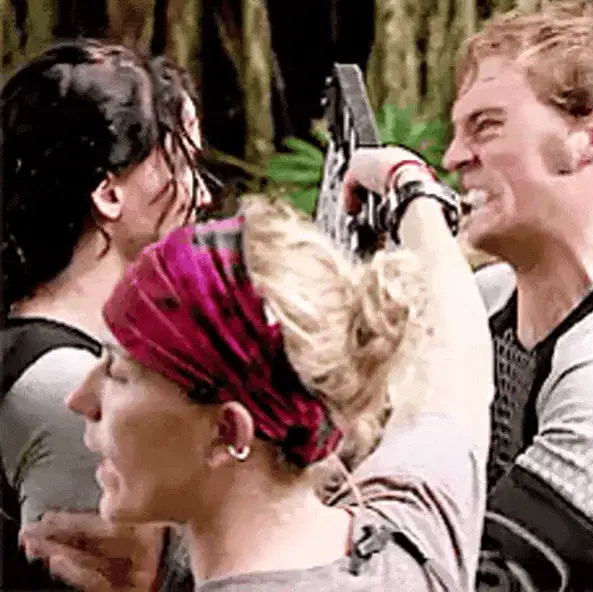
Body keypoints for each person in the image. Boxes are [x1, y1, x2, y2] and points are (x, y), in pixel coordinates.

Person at [30, 147, 494, 591]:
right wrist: (406, 183)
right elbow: (455, 355)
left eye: (119, 372)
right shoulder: (412, 543)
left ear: (228, 432)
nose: (79, 399)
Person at [0, 38, 214, 589]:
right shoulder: (64, 389)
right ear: (109, 194)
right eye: (182, 164)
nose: (203, 197)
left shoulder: (56, 352)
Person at [443, 0, 593, 591]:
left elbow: (486, 581)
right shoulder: (483, 300)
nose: (453, 158)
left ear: (592, 135)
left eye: (486, 126)